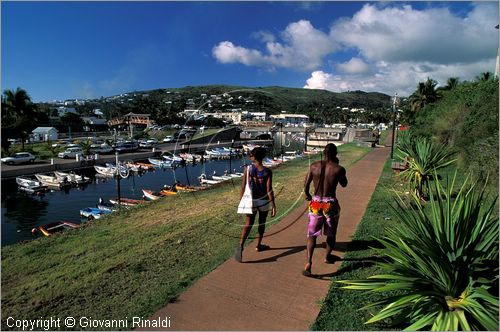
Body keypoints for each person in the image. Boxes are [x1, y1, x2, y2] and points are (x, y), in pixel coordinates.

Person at [303, 143, 348, 276]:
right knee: (331, 233)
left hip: (316, 202)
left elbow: (306, 185)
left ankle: (309, 263)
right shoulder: (338, 168)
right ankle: (327, 257)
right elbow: (344, 184)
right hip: (330, 203)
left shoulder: (314, 166)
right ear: (335, 154)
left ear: (323, 153)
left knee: (312, 234)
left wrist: (308, 195)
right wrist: (337, 165)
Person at [235, 147, 276, 263]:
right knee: (261, 223)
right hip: (263, 201)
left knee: (248, 223)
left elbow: (243, 186)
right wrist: (273, 205)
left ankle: (241, 245)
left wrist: (241, 200)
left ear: (254, 157)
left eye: (251, 155)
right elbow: (269, 189)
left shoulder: (248, 169)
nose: (250, 157)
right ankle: (258, 245)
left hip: (251, 200)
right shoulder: (267, 171)